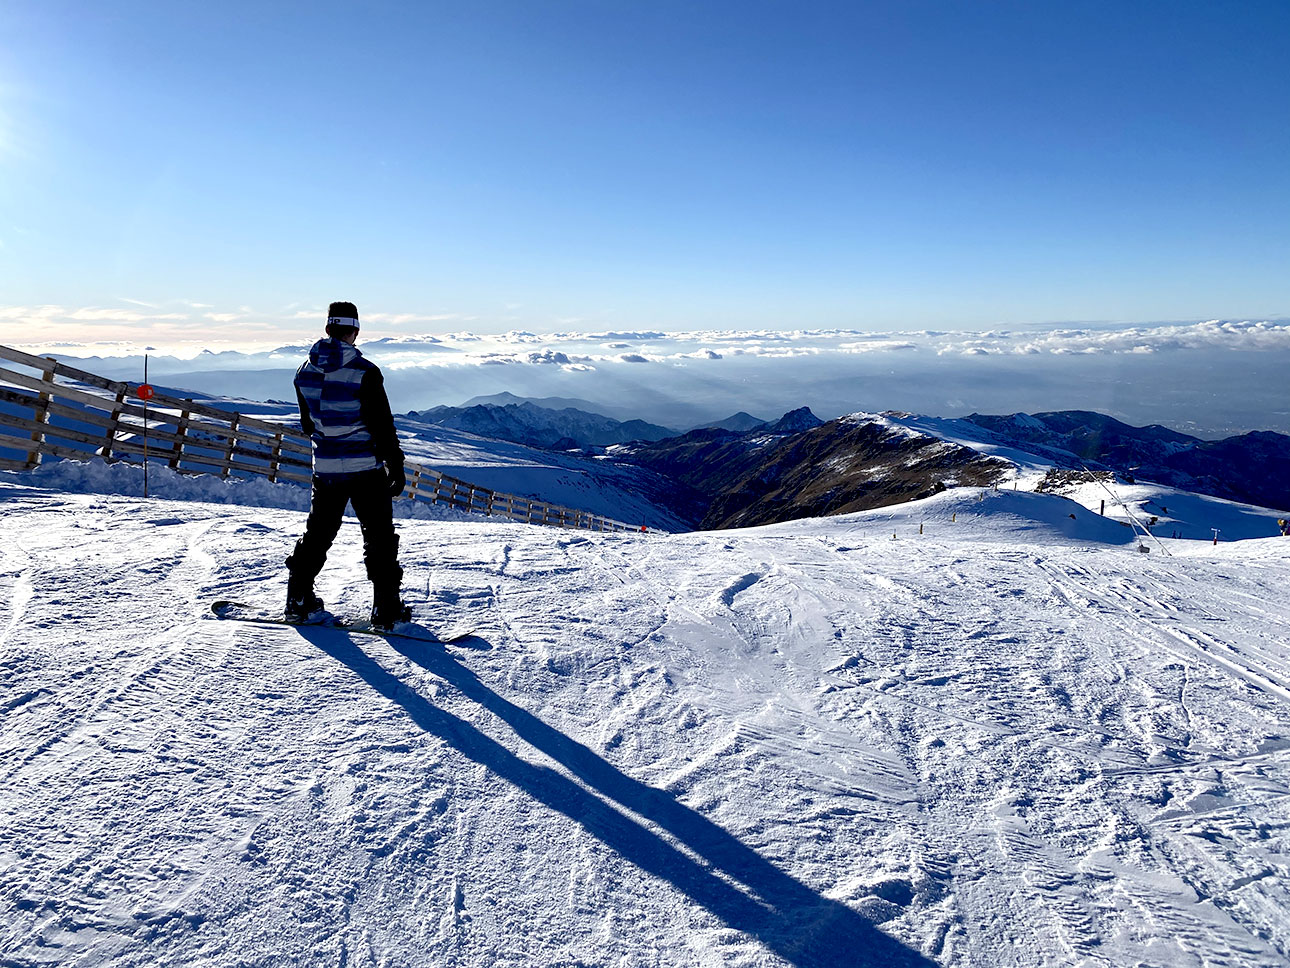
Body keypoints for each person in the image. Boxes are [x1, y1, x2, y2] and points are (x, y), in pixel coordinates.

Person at [285, 301, 411, 627]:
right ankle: (386, 609)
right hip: (365, 468)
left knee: (318, 533)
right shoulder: (365, 372)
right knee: (379, 537)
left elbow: (308, 424)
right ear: (354, 330)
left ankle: (298, 599)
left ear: (328, 328)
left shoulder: (304, 372)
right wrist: (395, 464)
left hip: (324, 468)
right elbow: (382, 426)